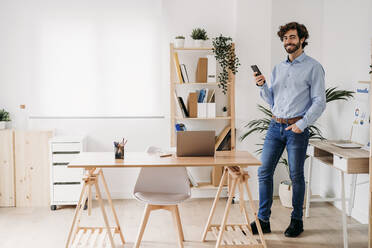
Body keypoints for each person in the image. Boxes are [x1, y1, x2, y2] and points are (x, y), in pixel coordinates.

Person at [251, 22, 326, 237]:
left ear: (302, 39)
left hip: (297, 129)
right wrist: (261, 85)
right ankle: (263, 220)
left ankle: (296, 221)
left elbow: (320, 101)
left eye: (292, 37)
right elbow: (271, 100)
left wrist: (302, 125)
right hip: (275, 126)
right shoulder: (278, 68)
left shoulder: (314, 67)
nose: (288, 42)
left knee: (296, 176)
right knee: (264, 171)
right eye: (285, 39)